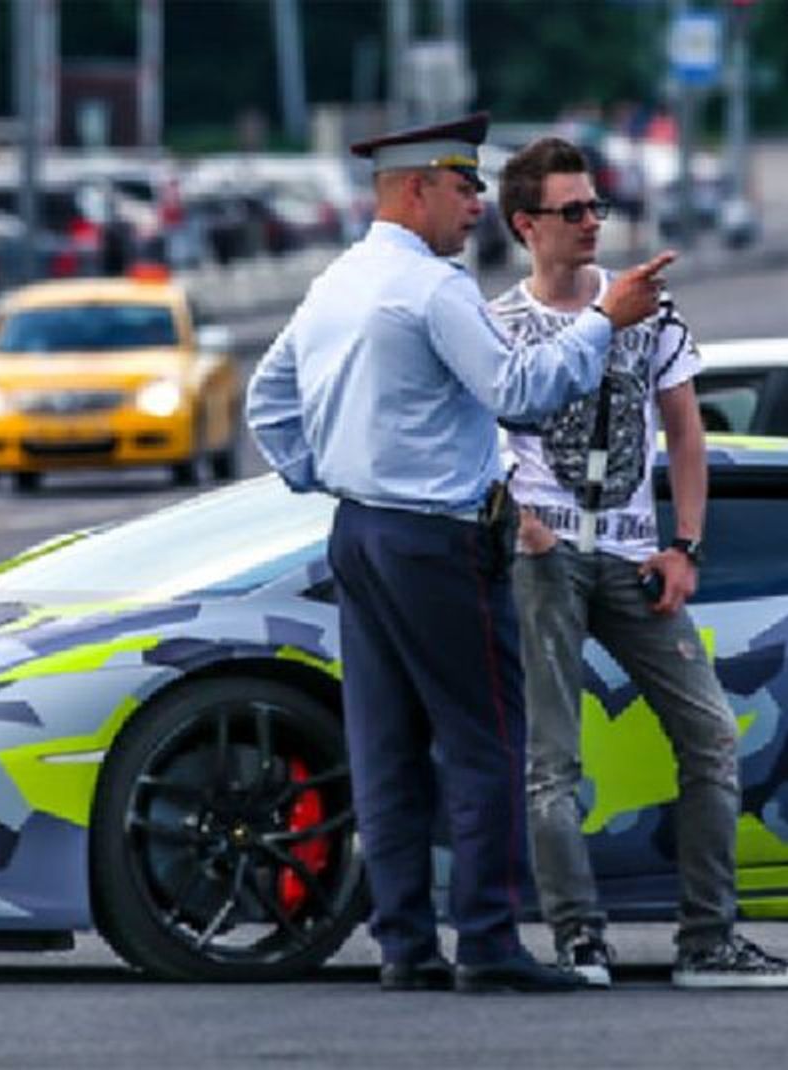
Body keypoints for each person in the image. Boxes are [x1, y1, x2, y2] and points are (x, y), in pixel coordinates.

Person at [245, 113, 676, 994]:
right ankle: (488, 942)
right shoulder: (433, 288)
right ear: (415, 191)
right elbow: (521, 393)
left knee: (387, 749)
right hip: (438, 541)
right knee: (485, 741)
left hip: (361, 535)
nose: (478, 205)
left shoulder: (338, 281)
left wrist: (332, 473)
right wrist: (604, 320)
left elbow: (267, 402)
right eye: (464, 187)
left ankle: (405, 946)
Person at [490, 137, 788, 990]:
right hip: (548, 557)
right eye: (572, 211)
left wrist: (686, 544)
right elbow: (472, 442)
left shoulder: (647, 308)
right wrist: (523, 524)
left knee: (710, 736)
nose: (593, 222)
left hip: (636, 556)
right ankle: (577, 939)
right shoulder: (501, 327)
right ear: (528, 225)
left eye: (597, 206)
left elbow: (684, 429)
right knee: (552, 759)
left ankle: (709, 941)